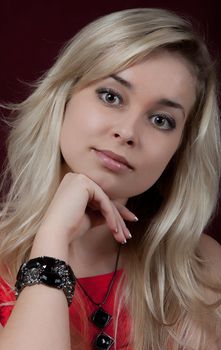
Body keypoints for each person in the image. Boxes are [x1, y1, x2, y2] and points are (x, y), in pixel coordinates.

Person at [0, 7, 220, 350]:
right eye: (111, 96)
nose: (127, 131)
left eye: (161, 120)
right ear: (64, 96)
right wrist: (52, 237)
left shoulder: (200, 270)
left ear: (179, 151)